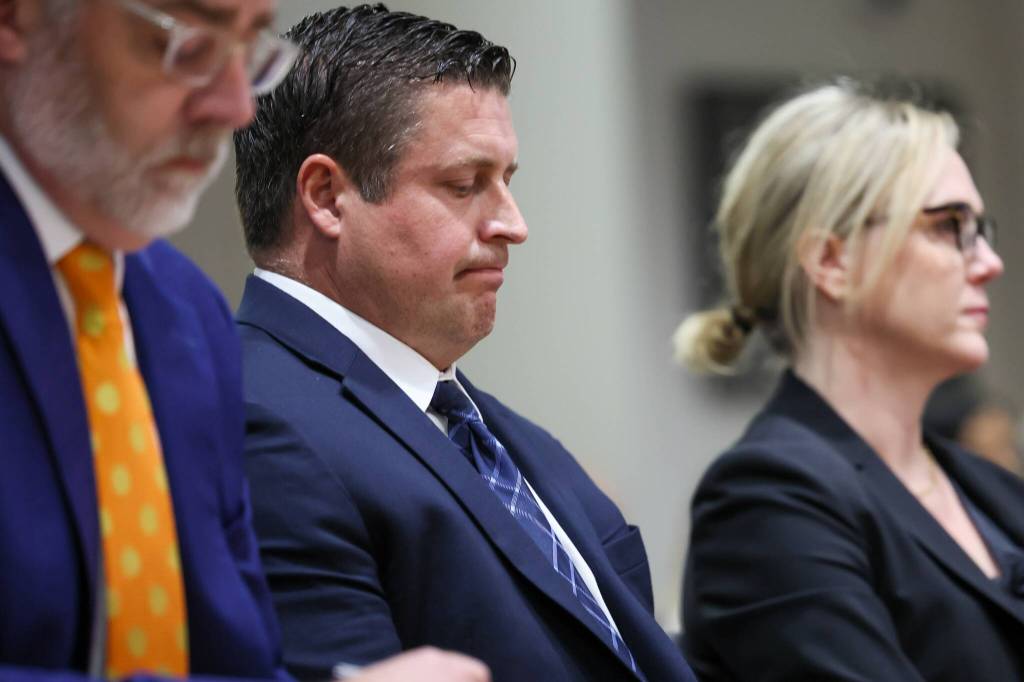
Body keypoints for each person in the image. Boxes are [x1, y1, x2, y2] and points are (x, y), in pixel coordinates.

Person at [0, 0, 487, 680]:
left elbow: (240, 660)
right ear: (17, 21)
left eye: (251, 51)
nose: (235, 106)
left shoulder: (186, 312)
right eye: (189, 45)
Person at [234, 5, 696, 682]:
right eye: (464, 185)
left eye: (508, 181)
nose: (514, 225)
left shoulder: (514, 439)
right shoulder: (259, 420)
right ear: (328, 197)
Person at [675, 80, 1024, 681]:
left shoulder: (992, 492)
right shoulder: (766, 499)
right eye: (948, 226)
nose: (989, 264)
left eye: (981, 231)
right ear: (831, 263)